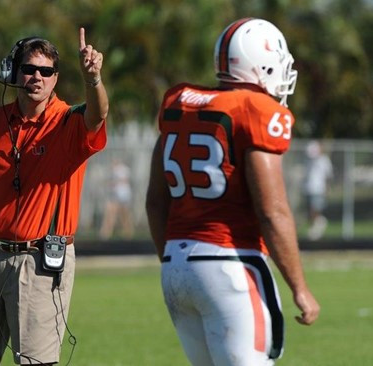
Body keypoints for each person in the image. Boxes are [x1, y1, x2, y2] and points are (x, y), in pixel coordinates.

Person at [145, 18, 320, 366]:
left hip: (176, 266)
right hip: (230, 264)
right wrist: (300, 287)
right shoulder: (255, 110)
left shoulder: (180, 102)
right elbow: (273, 211)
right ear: (264, 65)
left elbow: (154, 202)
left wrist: (173, 260)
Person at [0, 28, 108, 366]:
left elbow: (98, 115)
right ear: (14, 72)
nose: (37, 77)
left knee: (36, 362)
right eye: (29, 69)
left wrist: (93, 79)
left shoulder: (68, 121)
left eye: (46, 71)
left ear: (55, 78)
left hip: (38, 262)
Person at [303, 140, 333, 240]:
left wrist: (327, 189)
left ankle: (320, 222)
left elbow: (328, 176)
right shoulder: (308, 160)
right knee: (309, 211)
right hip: (308, 188)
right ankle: (317, 225)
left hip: (318, 189)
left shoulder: (324, 160)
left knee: (315, 209)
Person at [99, 158, 134, 239]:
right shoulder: (112, 171)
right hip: (115, 196)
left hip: (123, 196)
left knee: (124, 216)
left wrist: (114, 182)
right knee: (110, 215)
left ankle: (128, 233)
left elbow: (124, 181)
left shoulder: (123, 169)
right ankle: (105, 233)